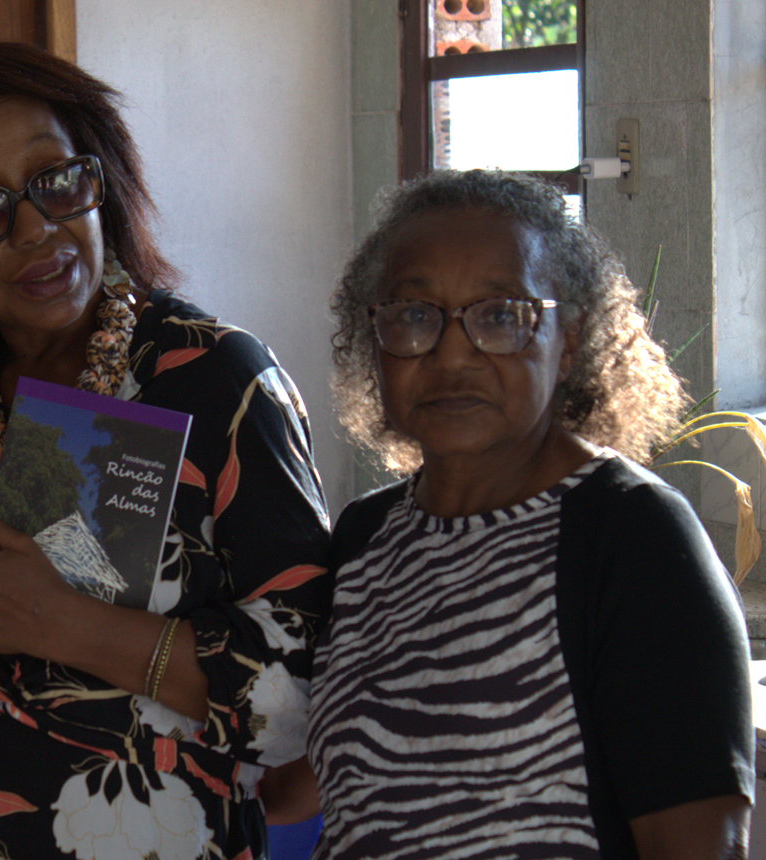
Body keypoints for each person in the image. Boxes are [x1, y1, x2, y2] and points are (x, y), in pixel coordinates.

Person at [0, 42, 332, 860]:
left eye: (56, 180)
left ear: (103, 182)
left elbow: (305, 692)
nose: (34, 229)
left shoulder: (217, 378)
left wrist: (59, 622)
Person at [299, 168, 753, 859]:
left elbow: (698, 843)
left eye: (501, 315)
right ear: (375, 340)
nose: (453, 355)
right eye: (415, 315)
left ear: (567, 341)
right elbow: (330, 787)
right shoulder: (365, 540)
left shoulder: (631, 537)